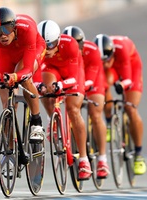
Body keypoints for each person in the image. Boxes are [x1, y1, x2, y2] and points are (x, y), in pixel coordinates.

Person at [37, 20, 92, 180]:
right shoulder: (38, 49)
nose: (47, 50)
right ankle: (51, 119)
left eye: (52, 44)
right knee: (45, 91)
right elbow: (34, 75)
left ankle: (83, 159)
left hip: (71, 73)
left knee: (73, 109)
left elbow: (74, 78)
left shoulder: (70, 45)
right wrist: (40, 86)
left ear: (59, 40)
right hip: (51, 69)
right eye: (44, 46)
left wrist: (61, 84)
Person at [0, 7, 46, 143]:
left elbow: (27, 69)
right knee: (6, 100)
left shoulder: (27, 29)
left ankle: (36, 122)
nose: (2, 35)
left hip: (31, 50)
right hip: (8, 54)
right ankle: (12, 147)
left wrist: (15, 77)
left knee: (25, 79)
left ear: (14, 27)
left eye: (6, 30)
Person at [93, 34, 147, 175]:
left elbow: (128, 80)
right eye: (101, 61)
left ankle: (139, 154)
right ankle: (109, 121)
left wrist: (122, 85)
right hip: (115, 65)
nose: (104, 64)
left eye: (106, 61)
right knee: (103, 86)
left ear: (112, 54)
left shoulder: (121, 50)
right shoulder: (98, 54)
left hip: (131, 65)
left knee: (130, 107)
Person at [62, 26, 110, 179]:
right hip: (75, 79)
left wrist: (84, 85)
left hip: (92, 80)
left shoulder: (92, 50)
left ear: (82, 44)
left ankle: (102, 159)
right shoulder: (62, 50)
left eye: (77, 45)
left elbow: (94, 72)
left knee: (95, 114)